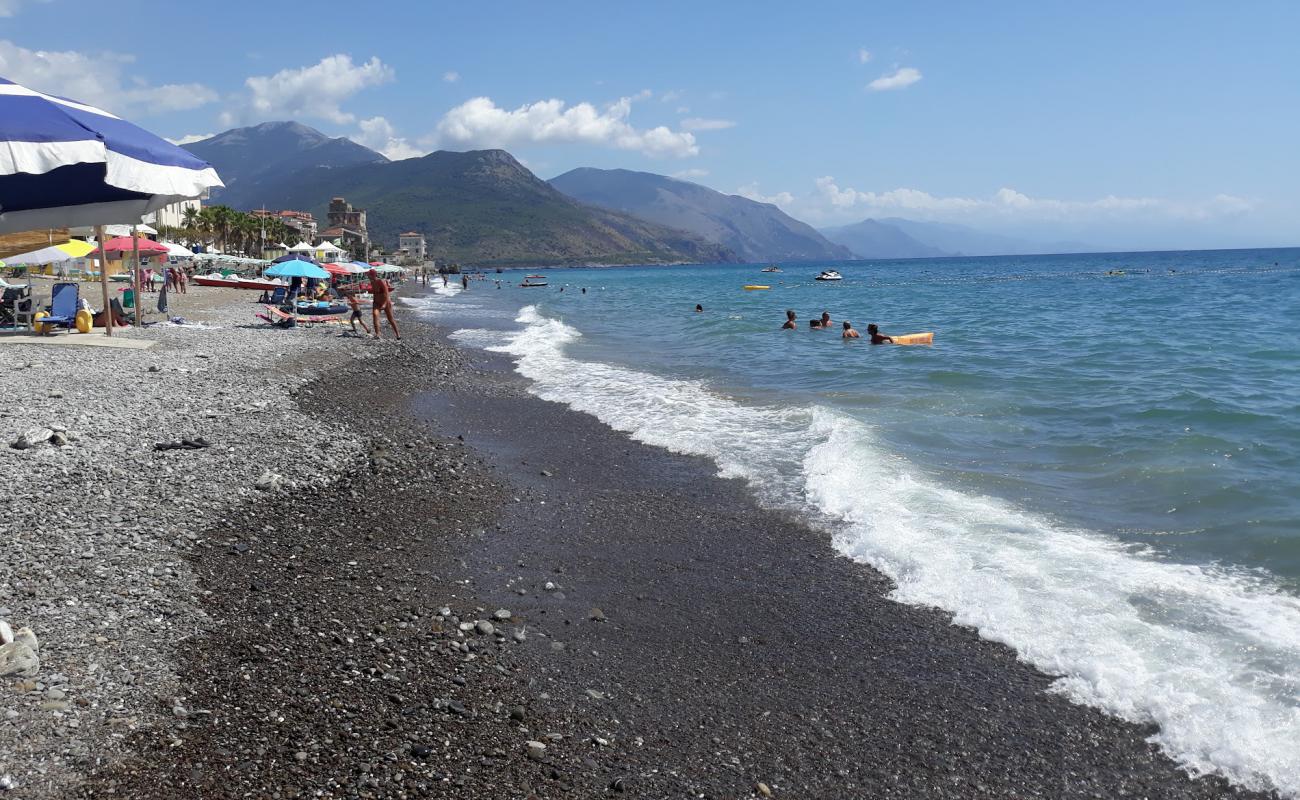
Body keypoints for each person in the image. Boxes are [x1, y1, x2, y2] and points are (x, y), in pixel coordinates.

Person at [368, 268, 400, 340]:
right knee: (375, 315)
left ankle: (398, 334)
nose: (368, 276)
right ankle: (377, 334)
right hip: (376, 303)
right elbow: (375, 293)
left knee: (390, 318)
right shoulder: (372, 282)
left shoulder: (380, 281)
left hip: (386, 302)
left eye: (369, 275)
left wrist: (385, 304)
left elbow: (386, 293)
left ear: (372, 275)